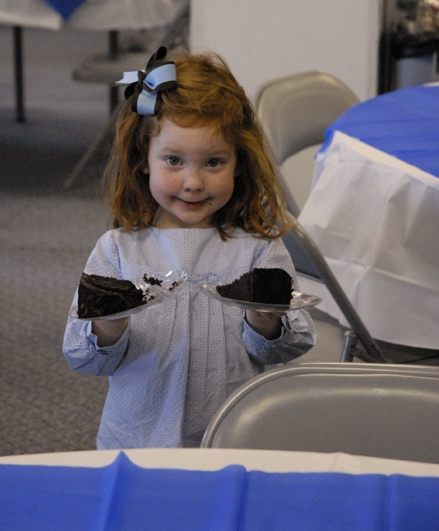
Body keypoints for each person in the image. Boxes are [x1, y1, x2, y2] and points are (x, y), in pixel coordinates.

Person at [63, 47, 316, 448]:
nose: (194, 182)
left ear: (239, 162)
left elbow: (290, 347)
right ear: (143, 159)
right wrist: (109, 326)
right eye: (174, 160)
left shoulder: (258, 250)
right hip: (139, 439)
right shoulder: (117, 250)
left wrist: (265, 322)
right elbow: (84, 357)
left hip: (232, 437)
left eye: (213, 162)